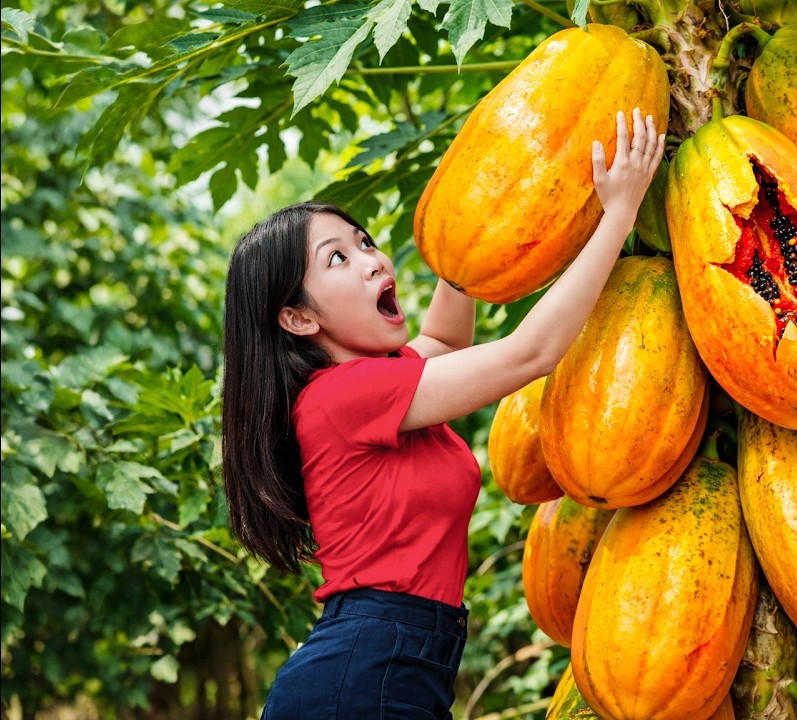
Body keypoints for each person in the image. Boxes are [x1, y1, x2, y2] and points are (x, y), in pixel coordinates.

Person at [220, 108, 665, 719]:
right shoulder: (340, 398)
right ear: (299, 318)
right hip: (365, 671)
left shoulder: (382, 384)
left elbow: (449, 342)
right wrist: (619, 212)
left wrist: (478, 216)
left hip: (395, 664)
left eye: (365, 242)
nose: (374, 260)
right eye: (337, 259)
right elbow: (530, 353)